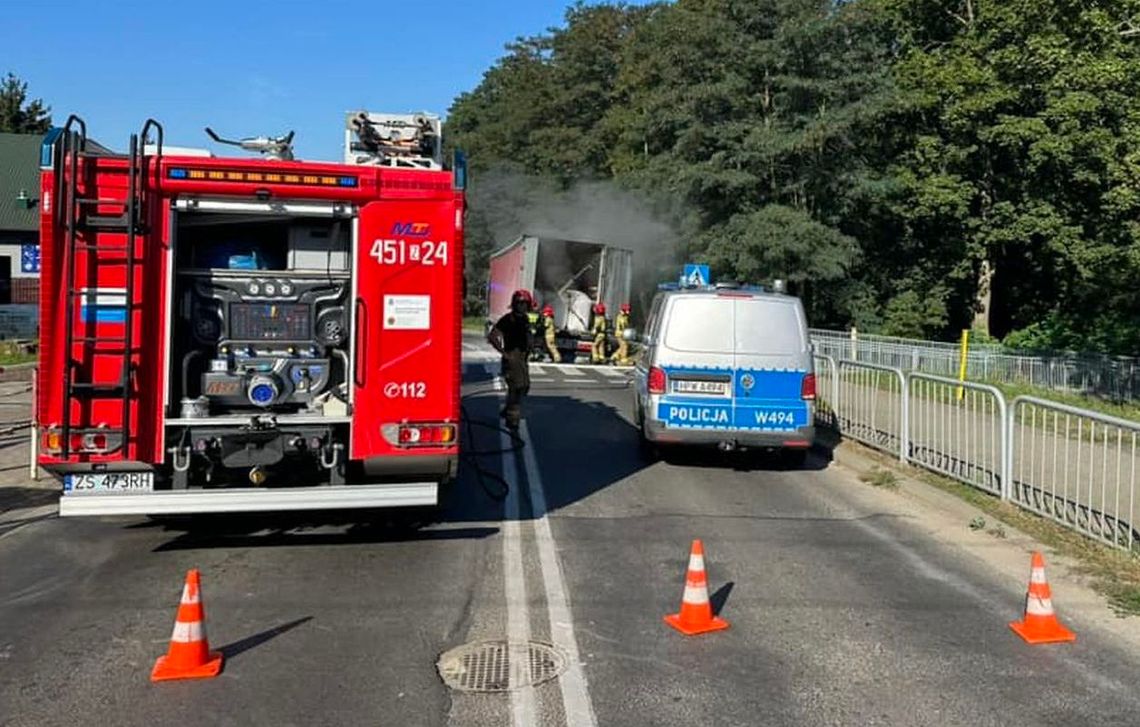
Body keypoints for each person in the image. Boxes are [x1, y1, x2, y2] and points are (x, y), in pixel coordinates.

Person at [487, 289, 535, 430]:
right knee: (517, 387)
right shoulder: (508, 319)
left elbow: (527, 336)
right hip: (512, 357)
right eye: (520, 303)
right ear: (515, 304)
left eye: (525, 304)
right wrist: (504, 353)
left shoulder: (525, 319)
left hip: (522, 358)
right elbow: (492, 336)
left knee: (524, 386)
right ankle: (512, 418)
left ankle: (507, 410)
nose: (523, 306)